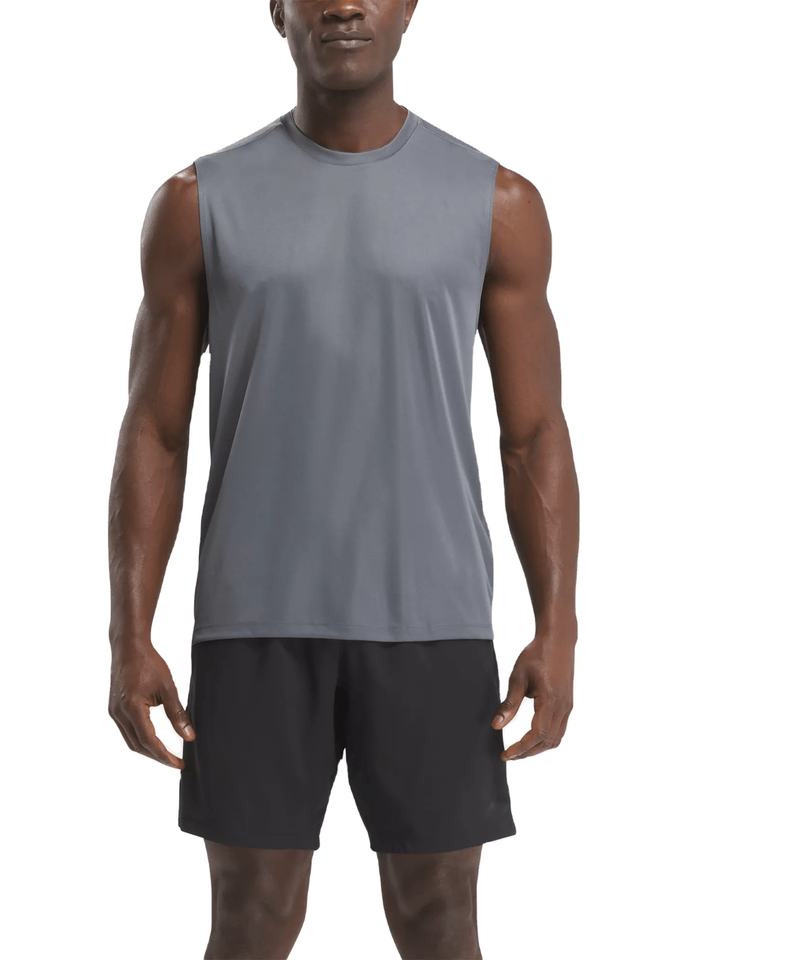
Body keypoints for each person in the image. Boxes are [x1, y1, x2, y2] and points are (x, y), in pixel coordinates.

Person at [107, 2, 579, 957]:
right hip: (254, 622)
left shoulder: (497, 202)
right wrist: (129, 633)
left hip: (434, 619)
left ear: (411, 7)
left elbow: (534, 435)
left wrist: (557, 628)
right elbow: (154, 429)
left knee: (441, 919)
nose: (345, 4)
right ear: (277, 10)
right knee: (251, 919)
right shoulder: (198, 202)